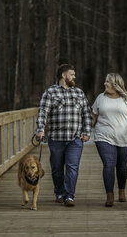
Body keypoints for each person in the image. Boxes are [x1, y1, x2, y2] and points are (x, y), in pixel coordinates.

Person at [35, 64, 92, 207]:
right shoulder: (50, 92)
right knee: (57, 168)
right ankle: (59, 192)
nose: (74, 77)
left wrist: (87, 132)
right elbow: (43, 112)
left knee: (72, 167)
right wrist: (40, 129)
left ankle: (69, 196)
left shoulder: (79, 93)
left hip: (75, 139)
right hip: (56, 139)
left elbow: (86, 113)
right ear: (63, 75)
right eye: (72, 74)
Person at [91, 73, 127, 207]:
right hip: (104, 136)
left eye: (107, 82)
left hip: (124, 137)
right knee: (109, 164)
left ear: (115, 84)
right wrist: (84, 130)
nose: (105, 84)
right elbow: (94, 118)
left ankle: (121, 190)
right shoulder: (100, 98)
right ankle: (109, 195)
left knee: (121, 165)